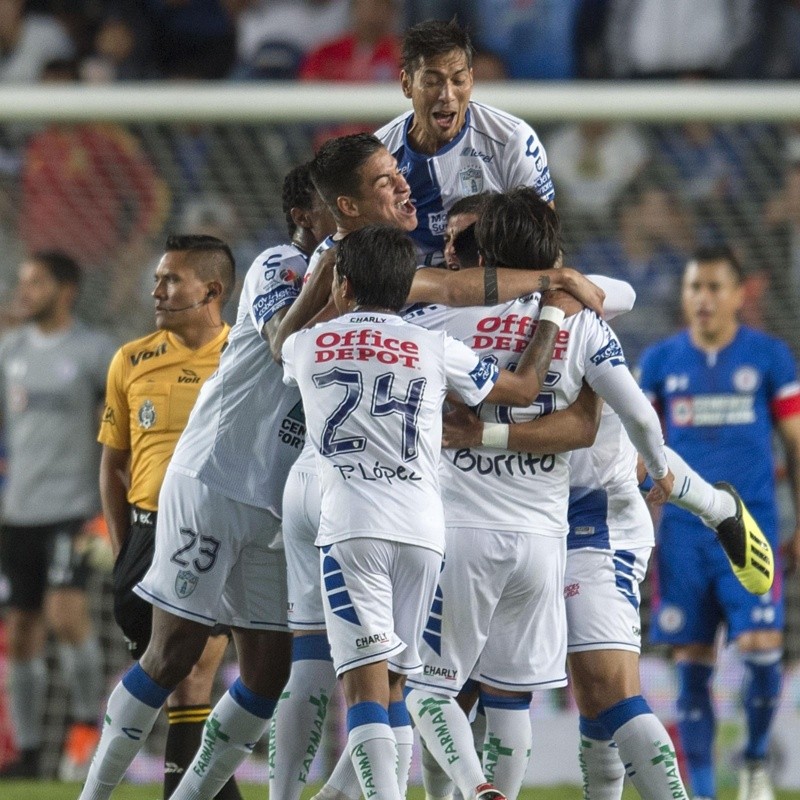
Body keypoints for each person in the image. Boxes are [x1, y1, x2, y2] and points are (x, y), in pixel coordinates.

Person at [268, 133, 604, 800]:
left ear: (345, 283)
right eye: (387, 180)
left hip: (342, 508)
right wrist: (554, 298)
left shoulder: (311, 339)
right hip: (424, 523)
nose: (403, 188)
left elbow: (284, 343)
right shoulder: (426, 339)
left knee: (361, 684)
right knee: (398, 682)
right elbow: (516, 376)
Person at [402, 187, 675, 800]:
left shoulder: (437, 321)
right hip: (542, 542)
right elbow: (610, 419)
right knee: (508, 698)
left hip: (461, 530)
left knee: (427, 689)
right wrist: (663, 472)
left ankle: (477, 790)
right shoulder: (584, 318)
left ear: (490, 254)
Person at [77, 163, 336, 800]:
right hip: (216, 487)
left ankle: (190, 795)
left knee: (268, 672)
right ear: (312, 214)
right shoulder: (279, 266)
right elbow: (285, 340)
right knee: (173, 655)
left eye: (173, 279)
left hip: (276, 504)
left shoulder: (363, 275)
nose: (158, 290)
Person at [639, 244, 800, 800]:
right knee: (692, 664)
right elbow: (639, 450)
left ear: (737, 294)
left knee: (760, 647)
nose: (703, 299)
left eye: (713, 287)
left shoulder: (770, 358)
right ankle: (703, 792)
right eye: (693, 288)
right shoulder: (660, 362)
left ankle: (754, 759)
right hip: (683, 539)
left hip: (750, 532)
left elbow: (796, 442)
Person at [98, 234, 241, 799]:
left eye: (171, 279)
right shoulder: (131, 358)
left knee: (194, 680)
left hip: (215, 533)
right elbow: (113, 467)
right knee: (172, 682)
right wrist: (120, 550)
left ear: (212, 290)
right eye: (157, 278)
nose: (156, 289)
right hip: (146, 534)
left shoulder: (246, 355)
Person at [0, 251, 116, 780]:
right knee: (21, 630)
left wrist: (105, 508)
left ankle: (85, 728)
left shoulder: (94, 352)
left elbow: (116, 434)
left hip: (73, 509)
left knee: (67, 615)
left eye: (37, 281)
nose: (25, 291)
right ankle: (26, 753)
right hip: (18, 511)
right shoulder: (10, 351)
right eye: (23, 281)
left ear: (66, 289)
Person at [375, 18, 554, 265]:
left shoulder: (511, 140)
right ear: (407, 84)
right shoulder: (379, 156)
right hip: (413, 292)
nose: (447, 95)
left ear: (470, 79)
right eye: (432, 82)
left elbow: (546, 248)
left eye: (458, 80)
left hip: (499, 290)